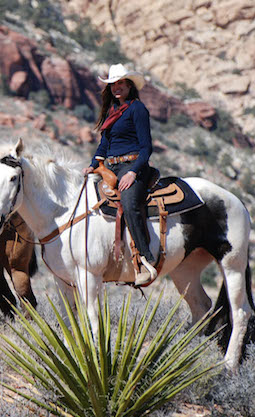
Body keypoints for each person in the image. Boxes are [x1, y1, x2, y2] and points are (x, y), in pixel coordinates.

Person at [82, 63, 157, 285]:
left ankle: (145, 258)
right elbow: (103, 147)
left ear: (129, 85)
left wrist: (133, 172)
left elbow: (146, 148)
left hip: (133, 165)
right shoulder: (110, 112)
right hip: (110, 168)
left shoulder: (137, 109)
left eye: (121, 83)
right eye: (113, 84)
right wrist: (93, 164)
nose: (117, 88)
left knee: (129, 202)